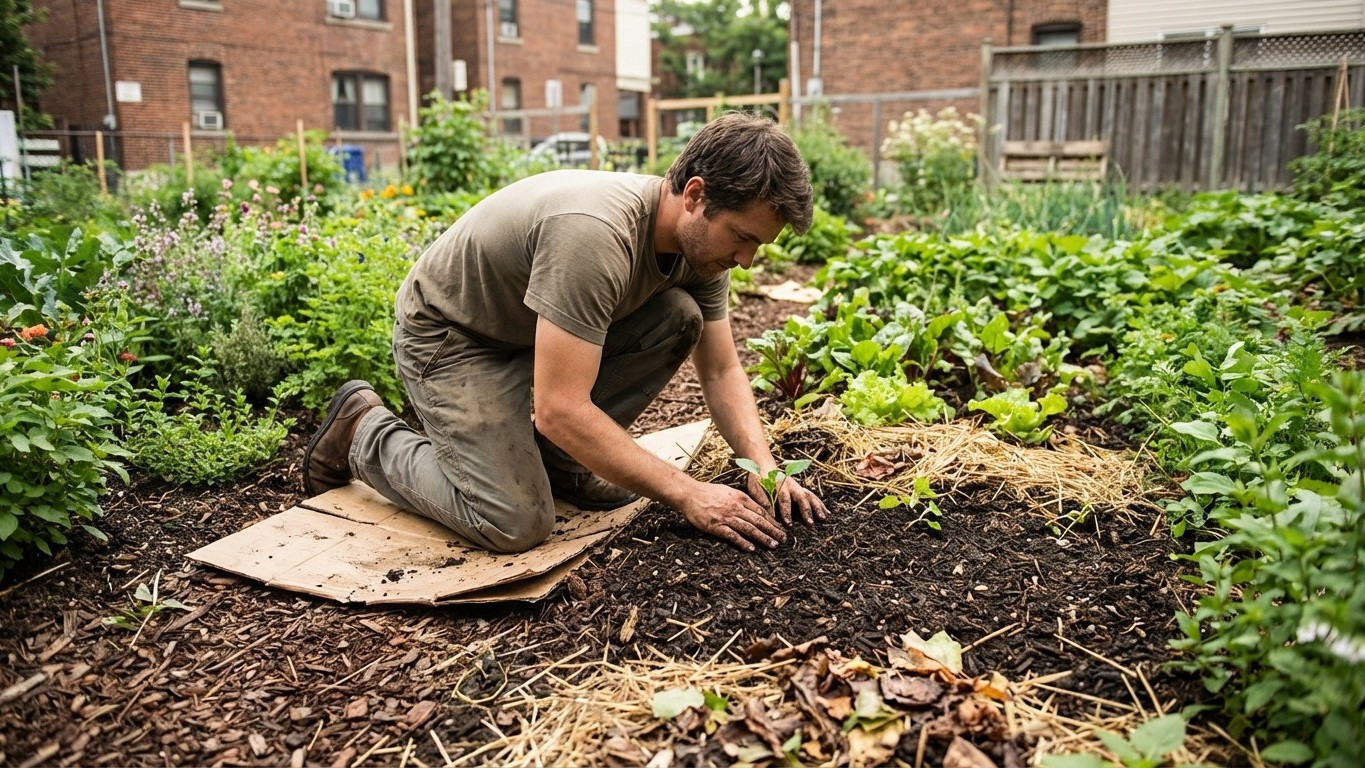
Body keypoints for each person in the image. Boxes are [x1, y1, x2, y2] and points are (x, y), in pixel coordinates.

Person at [302, 111, 828, 554]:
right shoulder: (596, 235)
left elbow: (721, 369)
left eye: (757, 245)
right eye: (741, 237)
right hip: (456, 337)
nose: (746, 259)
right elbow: (559, 409)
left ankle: (564, 464)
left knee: (679, 315)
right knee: (515, 522)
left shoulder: (702, 253)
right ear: (695, 195)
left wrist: (764, 467)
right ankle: (363, 433)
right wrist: (687, 492)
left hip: (529, 332)